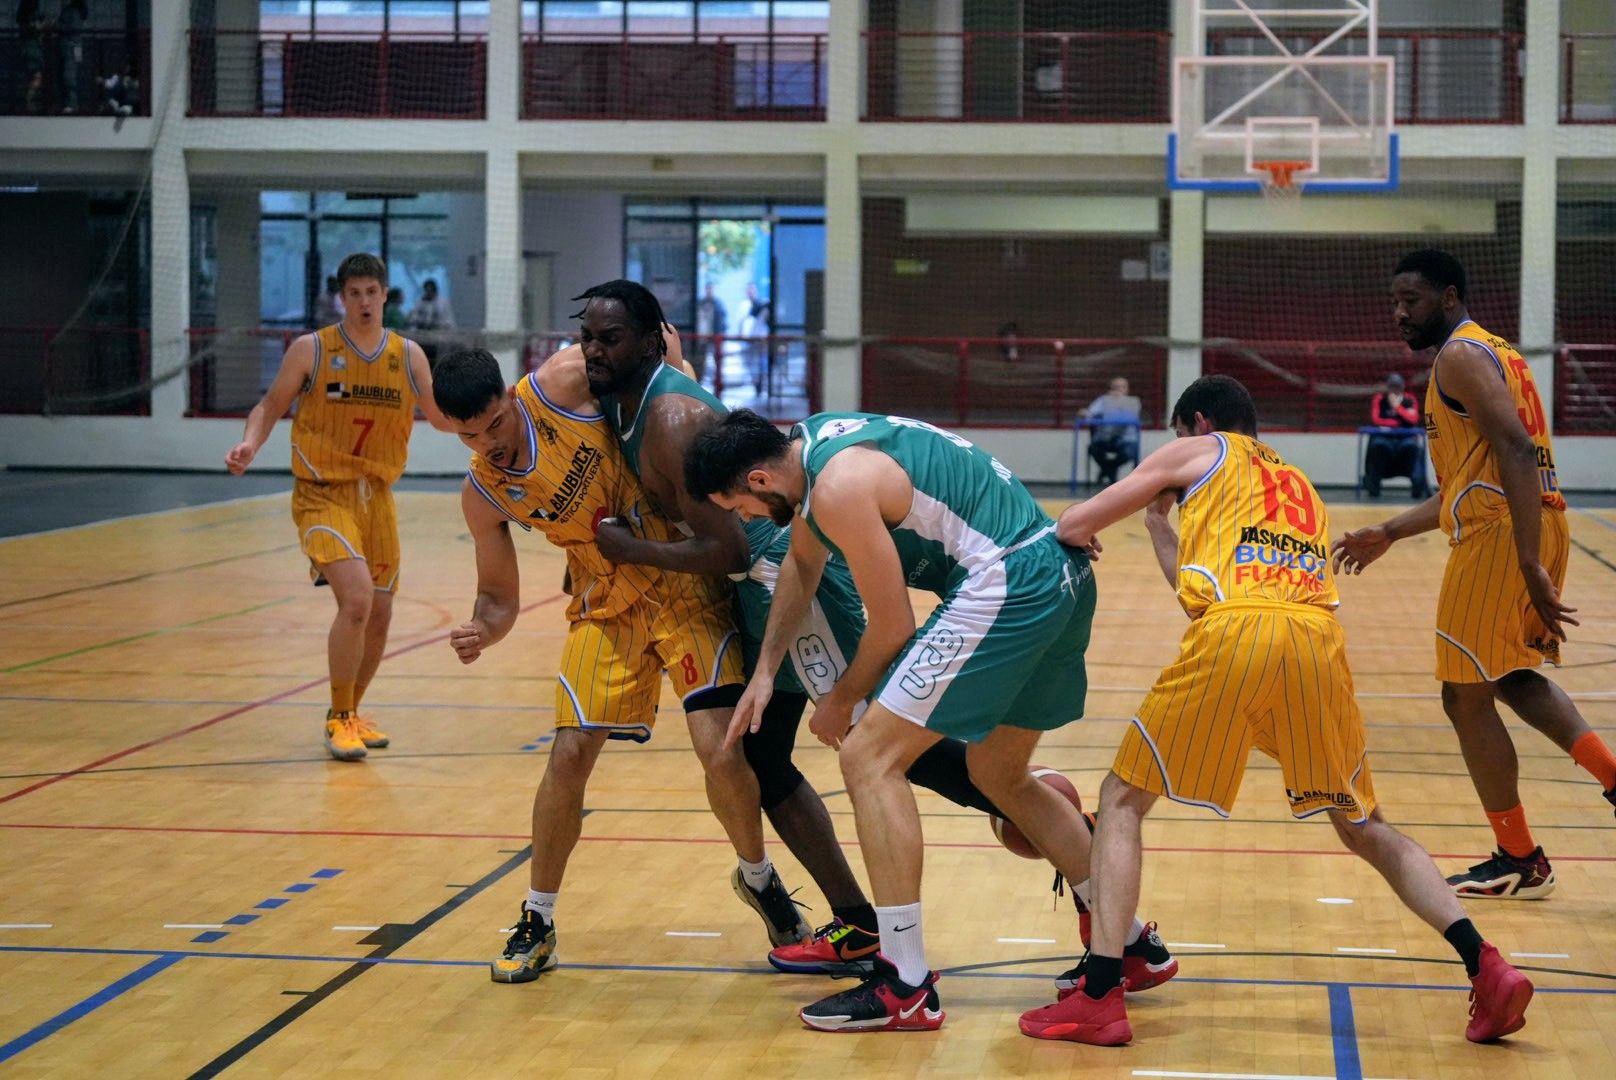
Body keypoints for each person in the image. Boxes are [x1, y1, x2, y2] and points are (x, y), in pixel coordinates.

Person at [1033, 373, 1533, 1046]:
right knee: (1364, 826)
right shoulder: (1297, 486)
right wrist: (1160, 528)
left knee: (1122, 799)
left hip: (1239, 636)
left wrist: (1121, 516)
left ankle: (1099, 993)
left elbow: (1073, 522)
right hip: (1315, 645)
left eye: (1180, 437)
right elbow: (1202, 591)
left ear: (1200, 424)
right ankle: (1486, 965)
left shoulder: (1200, 451)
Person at [699, 418, 1179, 994]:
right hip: (1056, 569)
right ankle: (1126, 942)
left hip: (1007, 584)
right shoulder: (820, 443)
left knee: (868, 758)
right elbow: (803, 564)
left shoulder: (836, 487)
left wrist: (842, 699)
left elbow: (893, 626)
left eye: (741, 507)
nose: (746, 520)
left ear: (758, 478)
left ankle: (903, 981)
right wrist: (768, 671)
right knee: (997, 773)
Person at [429, 339, 813, 983]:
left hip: (680, 575)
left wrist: (681, 384)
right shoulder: (483, 492)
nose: (486, 443)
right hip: (607, 600)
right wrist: (481, 630)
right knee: (569, 753)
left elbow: (653, 338)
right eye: (468, 436)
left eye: (494, 423)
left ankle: (759, 879)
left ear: (508, 393)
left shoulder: (562, 381)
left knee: (721, 751)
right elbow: (497, 598)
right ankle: (538, 917)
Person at [1333, 249, 1616, 899]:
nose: (1400, 314)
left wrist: (1523, 561)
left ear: (1450, 297)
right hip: (1531, 521)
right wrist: (1388, 532)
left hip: (1502, 536)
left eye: (1413, 301)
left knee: (1463, 695)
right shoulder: (1494, 354)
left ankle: (1520, 857)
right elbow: (1475, 475)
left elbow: (1516, 449)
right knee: (1512, 676)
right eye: (1395, 303)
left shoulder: (1460, 358)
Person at [225, 252, 456, 762]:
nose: (365, 301)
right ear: (341, 297)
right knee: (356, 600)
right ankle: (336, 718)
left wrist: (494, 423)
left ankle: (351, 713)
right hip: (322, 491)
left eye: (372, 292)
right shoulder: (311, 350)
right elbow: (268, 407)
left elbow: (441, 418)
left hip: (378, 498)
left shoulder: (409, 354)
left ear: (384, 295)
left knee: (380, 615)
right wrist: (249, 444)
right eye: (354, 293)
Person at [1363, 372, 1428, 499]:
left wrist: (1397, 407)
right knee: (1378, 446)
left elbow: (1413, 419)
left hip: (1405, 439)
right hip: (1384, 439)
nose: (1395, 389)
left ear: (1402, 387)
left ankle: (1417, 486)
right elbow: (1377, 420)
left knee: (1411, 448)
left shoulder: (1409, 400)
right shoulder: (1379, 399)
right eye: (1392, 386)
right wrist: (1398, 423)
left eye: (1397, 386)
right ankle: (1373, 486)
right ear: (1388, 387)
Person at [1084, 376, 1143, 487]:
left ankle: (1108, 469)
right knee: (1094, 449)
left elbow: (1133, 418)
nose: (1118, 390)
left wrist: (1120, 403)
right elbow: (1089, 413)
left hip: (1126, 439)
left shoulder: (1133, 402)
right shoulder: (1102, 401)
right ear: (1110, 389)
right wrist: (1086, 413)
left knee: (1129, 452)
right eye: (1115, 387)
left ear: (1127, 389)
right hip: (1105, 438)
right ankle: (1110, 471)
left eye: (1122, 387)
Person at [55, 0, 86, 114]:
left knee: (69, 75)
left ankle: (71, 104)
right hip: (75, 46)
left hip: (70, 46)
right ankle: (73, 104)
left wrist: (55, 25)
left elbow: (67, 27)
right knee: (72, 74)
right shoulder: (76, 12)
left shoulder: (72, 11)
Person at [694, 282, 727, 383]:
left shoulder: (718, 304)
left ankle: (717, 380)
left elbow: (722, 320)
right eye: (708, 289)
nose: (709, 291)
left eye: (711, 289)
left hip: (714, 336)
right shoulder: (701, 303)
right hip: (703, 337)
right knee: (701, 360)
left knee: (716, 358)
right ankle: (699, 379)